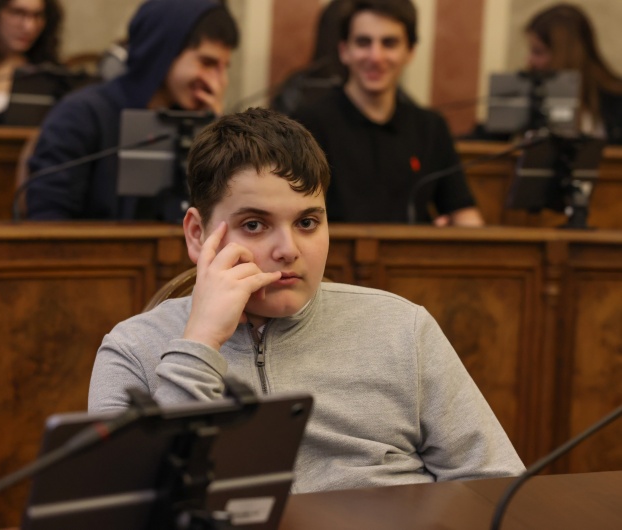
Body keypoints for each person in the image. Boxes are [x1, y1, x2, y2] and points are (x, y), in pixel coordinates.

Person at [88, 107, 524, 493]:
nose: (289, 250)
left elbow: (496, 486)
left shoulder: (403, 328)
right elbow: (123, 511)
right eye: (255, 225)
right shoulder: (132, 351)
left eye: (308, 222)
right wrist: (201, 343)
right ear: (198, 235)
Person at [25, 0, 239, 221]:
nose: (219, 83)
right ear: (163, 52)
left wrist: (214, 134)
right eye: (207, 63)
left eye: (224, 68)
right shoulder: (80, 114)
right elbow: (47, 218)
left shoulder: (195, 120)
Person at [292, 0, 484, 226]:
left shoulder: (431, 127)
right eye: (364, 42)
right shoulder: (307, 125)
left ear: (410, 52)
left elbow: (465, 215)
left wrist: (451, 236)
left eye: (389, 43)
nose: (376, 56)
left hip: (411, 249)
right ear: (344, 51)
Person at [525, 3, 622, 144]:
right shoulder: (531, 98)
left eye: (538, 52)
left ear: (564, 54)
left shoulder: (615, 101)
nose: (530, 60)